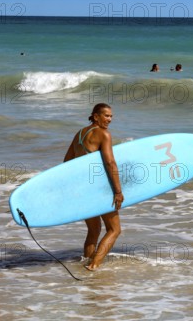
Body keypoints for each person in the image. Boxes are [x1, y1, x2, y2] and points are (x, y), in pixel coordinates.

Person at [64, 103, 124, 271]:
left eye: (111, 116)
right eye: (106, 115)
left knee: (94, 229)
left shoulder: (80, 134)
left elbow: (67, 162)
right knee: (114, 229)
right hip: (98, 188)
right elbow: (110, 163)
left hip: (83, 189)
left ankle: (87, 261)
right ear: (96, 116)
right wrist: (118, 191)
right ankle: (94, 265)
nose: (109, 119)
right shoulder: (104, 134)